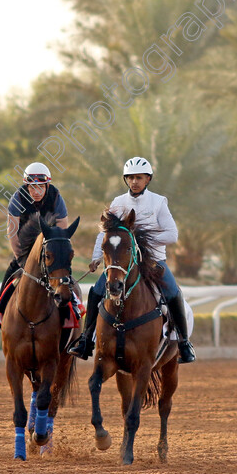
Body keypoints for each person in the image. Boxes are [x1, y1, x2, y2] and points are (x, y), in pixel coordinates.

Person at [67, 156, 196, 364]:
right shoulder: (118, 202)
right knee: (96, 292)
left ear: (148, 179)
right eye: (130, 178)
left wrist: (140, 239)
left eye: (139, 177)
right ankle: (85, 341)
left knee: (173, 292)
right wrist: (96, 257)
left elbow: (172, 235)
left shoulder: (159, 201)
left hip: (153, 261)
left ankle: (184, 343)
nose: (134, 182)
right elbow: (105, 233)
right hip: (123, 262)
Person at [0, 162, 72, 318]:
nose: (36, 191)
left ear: (47, 185)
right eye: (32, 187)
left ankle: (72, 307)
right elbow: (12, 232)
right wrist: (20, 258)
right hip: (25, 246)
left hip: (50, 246)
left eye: (40, 186)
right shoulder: (17, 198)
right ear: (26, 187)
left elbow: (62, 230)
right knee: (11, 270)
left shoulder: (56, 197)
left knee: (65, 273)